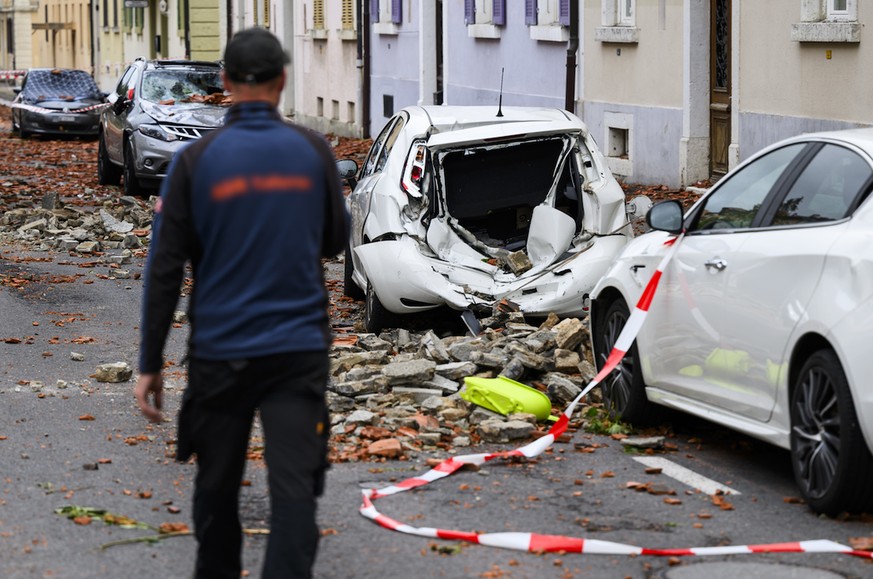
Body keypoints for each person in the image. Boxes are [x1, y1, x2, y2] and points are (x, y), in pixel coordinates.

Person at [134, 27, 349, 579]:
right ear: (282, 81)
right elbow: (335, 240)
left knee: (216, 487)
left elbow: (164, 268)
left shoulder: (193, 161)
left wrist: (150, 362)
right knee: (294, 491)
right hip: (297, 351)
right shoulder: (313, 152)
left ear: (225, 82)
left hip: (220, 353)